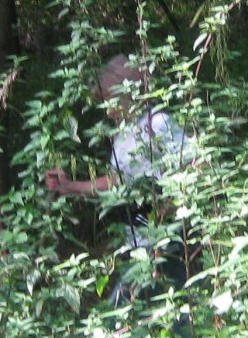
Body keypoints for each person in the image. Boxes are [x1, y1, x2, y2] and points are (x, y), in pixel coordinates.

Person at [43, 56, 195, 322]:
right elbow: (117, 180)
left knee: (129, 313)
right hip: (135, 241)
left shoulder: (158, 123)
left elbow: (195, 165)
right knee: (160, 313)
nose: (108, 111)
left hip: (166, 241)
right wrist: (70, 186)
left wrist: (168, 210)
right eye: (104, 103)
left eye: (111, 101)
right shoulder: (124, 133)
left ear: (129, 91)